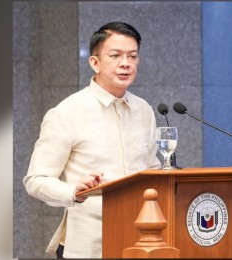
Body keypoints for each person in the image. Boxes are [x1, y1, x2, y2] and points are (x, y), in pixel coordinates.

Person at [23, 21, 160, 258]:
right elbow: (35, 180)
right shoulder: (66, 112)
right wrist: (73, 192)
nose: (125, 63)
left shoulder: (144, 110)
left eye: (132, 56)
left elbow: (152, 170)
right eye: (115, 55)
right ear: (94, 62)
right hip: (87, 247)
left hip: (140, 241)